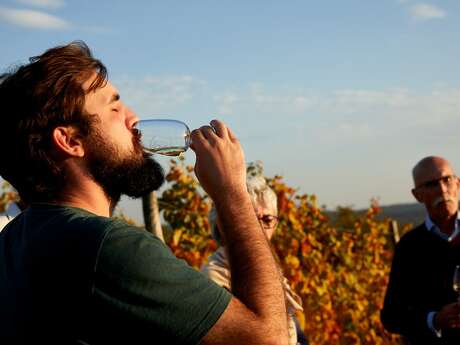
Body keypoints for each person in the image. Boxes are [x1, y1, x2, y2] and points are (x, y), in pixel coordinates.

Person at [0, 41, 289, 345]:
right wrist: (232, 192)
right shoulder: (107, 246)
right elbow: (268, 339)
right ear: (70, 140)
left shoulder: (13, 243)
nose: (133, 120)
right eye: (114, 108)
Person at [202, 161, 308, 345]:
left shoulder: (269, 271)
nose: (259, 227)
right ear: (222, 225)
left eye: (267, 219)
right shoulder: (214, 280)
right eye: (249, 219)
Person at [381, 156, 460, 344]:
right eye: (432, 184)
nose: (442, 189)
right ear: (418, 195)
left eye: (446, 180)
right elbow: (391, 317)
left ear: (457, 184)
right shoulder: (409, 248)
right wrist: (435, 320)